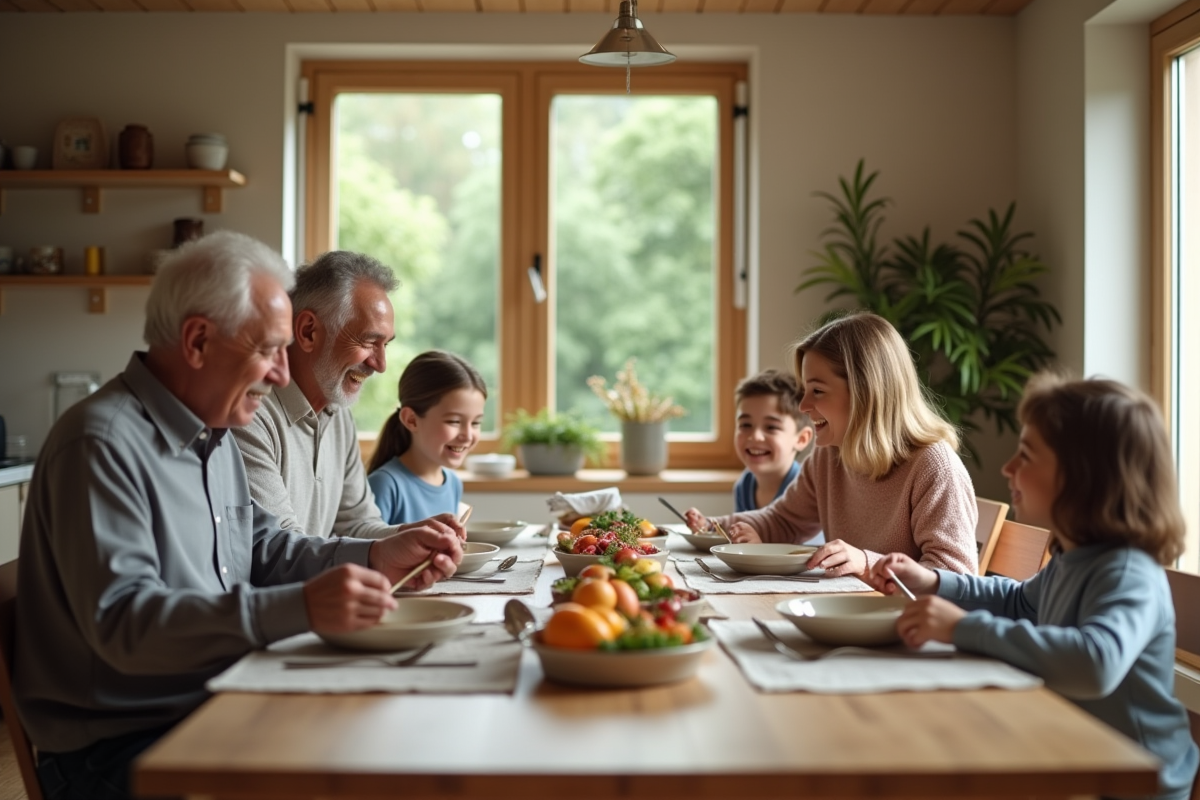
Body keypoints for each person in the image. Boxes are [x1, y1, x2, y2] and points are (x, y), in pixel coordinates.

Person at [13, 232, 463, 800]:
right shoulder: (101, 442)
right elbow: (124, 623)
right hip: (122, 744)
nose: (281, 374)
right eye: (268, 350)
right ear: (198, 341)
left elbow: (264, 547)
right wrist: (299, 606)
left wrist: (375, 552)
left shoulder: (214, 434)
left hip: (212, 697)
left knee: (397, 739)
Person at [868, 374, 1199, 800]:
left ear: (1085, 476)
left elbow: (1095, 663)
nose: (1008, 468)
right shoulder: (1074, 554)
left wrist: (960, 628)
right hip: (1076, 754)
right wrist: (934, 582)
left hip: (1132, 781)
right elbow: (1021, 602)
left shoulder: (1127, 571)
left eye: (1025, 455)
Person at [684, 312, 978, 577]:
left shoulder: (933, 467)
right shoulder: (829, 456)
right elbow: (784, 519)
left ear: (866, 392)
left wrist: (866, 562)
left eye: (817, 391)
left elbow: (956, 578)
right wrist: (715, 526)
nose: (803, 405)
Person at [232, 250, 458, 540]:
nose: (380, 364)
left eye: (385, 345)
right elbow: (278, 547)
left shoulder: (338, 415)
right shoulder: (249, 414)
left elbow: (357, 525)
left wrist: (411, 536)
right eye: (368, 341)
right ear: (309, 331)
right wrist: (387, 550)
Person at [366, 351, 487, 525]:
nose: (468, 436)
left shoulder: (453, 483)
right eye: (454, 421)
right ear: (412, 420)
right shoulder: (384, 485)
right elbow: (363, 550)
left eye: (476, 423)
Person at [731, 368, 815, 513]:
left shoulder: (806, 490)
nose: (755, 436)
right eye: (745, 425)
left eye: (771, 427)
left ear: (801, 439)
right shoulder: (744, 485)